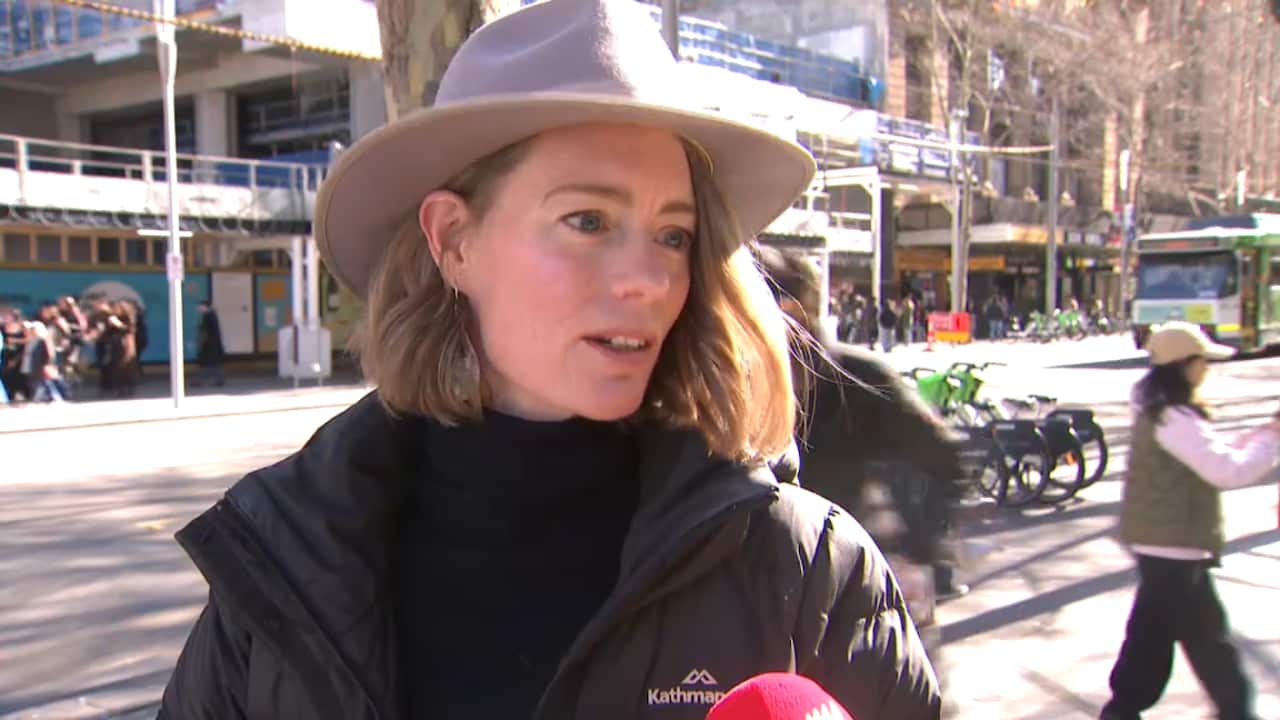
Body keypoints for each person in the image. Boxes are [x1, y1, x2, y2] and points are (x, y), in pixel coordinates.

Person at [159, 1, 940, 718]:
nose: (650, 277)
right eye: (589, 219)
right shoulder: (286, 567)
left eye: (673, 233)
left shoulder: (804, 571)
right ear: (454, 241)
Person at [753, 246, 967, 599]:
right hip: (762, 603)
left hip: (848, 593)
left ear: (795, 310)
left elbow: (942, 456)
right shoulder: (721, 388)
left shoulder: (860, 378)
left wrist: (918, 552)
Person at [1099, 322, 1279, 720]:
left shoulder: (1164, 411)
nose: (1206, 370)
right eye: (1202, 362)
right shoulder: (1173, 418)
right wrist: (1272, 440)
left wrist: (1259, 435)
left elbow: (1209, 454)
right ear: (1184, 365)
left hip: (1172, 546)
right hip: (1172, 548)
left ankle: (1233, 710)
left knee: (1195, 640)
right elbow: (1223, 469)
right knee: (1158, 645)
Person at [193, 301, 225, 387]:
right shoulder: (211, 315)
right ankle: (219, 380)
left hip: (209, 344)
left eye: (200, 306)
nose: (198, 308)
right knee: (213, 363)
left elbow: (206, 331)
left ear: (204, 307)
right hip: (212, 343)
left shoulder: (208, 316)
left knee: (206, 363)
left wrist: (202, 338)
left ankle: (198, 380)